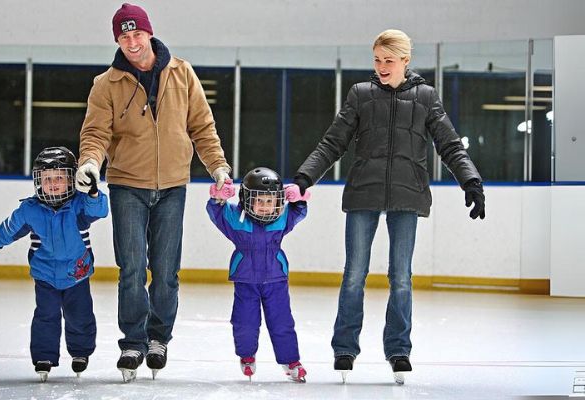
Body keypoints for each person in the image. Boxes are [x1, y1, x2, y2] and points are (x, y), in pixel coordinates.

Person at [292, 29, 486, 385]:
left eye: (389, 60)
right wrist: (304, 179)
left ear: (405, 61)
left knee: (401, 278)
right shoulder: (360, 95)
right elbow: (332, 143)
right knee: (354, 274)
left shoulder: (426, 97)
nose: (382, 67)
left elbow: (450, 145)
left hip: (407, 195)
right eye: (377, 60)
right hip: (363, 193)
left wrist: (470, 181)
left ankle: (398, 349)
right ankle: (345, 347)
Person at [77, 3, 231, 382]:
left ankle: (159, 338)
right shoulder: (106, 84)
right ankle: (133, 341)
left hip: (174, 185)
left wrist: (218, 167)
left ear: (149, 33)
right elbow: (96, 134)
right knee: (131, 268)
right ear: (118, 39)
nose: (131, 42)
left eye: (137, 34)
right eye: (124, 36)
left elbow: (202, 126)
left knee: (165, 271)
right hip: (127, 184)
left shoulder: (183, 73)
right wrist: (90, 163)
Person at [0, 146, 109, 382]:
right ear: (38, 181)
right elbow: (10, 227)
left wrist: (93, 192)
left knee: (80, 316)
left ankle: (80, 352)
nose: (53, 183)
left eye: (59, 178)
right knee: (45, 315)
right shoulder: (30, 210)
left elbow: (100, 211)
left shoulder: (79, 205)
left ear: (72, 179)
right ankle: (44, 356)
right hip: (45, 276)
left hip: (77, 274)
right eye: (47, 178)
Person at [206, 167, 311, 383]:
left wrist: (299, 199)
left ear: (278, 201)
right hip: (246, 280)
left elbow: (298, 212)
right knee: (245, 321)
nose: (264, 207)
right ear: (247, 199)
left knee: (282, 322)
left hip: (276, 280)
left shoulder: (282, 219)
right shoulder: (237, 220)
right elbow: (218, 214)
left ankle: (290, 361)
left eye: (269, 201)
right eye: (259, 201)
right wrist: (218, 198)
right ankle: (246, 356)